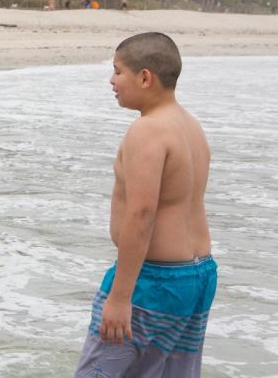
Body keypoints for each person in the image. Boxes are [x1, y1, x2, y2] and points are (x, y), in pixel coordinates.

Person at [75, 33, 216, 377]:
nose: (112, 81)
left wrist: (121, 297)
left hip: (153, 281)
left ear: (145, 77)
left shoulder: (148, 131)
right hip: (197, 276)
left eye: (118, 71)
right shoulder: (190, 126)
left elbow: (141, 215)